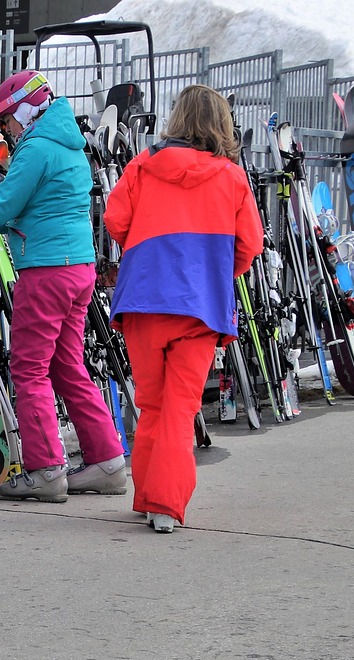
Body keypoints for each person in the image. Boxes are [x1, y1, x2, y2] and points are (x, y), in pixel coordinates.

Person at [0, 69, 126, 502]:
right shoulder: (70, 143)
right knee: (67, 364)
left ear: (28, 110)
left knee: (29, 368)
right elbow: (36, 207)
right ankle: (108, 462)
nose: (7, 129)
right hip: (79, 267)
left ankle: (46, 470)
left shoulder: (36, 148)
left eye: (8, 119)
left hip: (46, 270)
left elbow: (6, 203)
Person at [104, 84, 263, 533]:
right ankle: (166, 505)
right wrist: (209, 270)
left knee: (151, 403)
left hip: (143, 299)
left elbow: (116, 220)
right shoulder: (232, 178)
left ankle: (147, 496)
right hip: (199, 306)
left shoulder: (142, 165)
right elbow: (249, 245)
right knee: (180, 406)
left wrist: (148, 251)